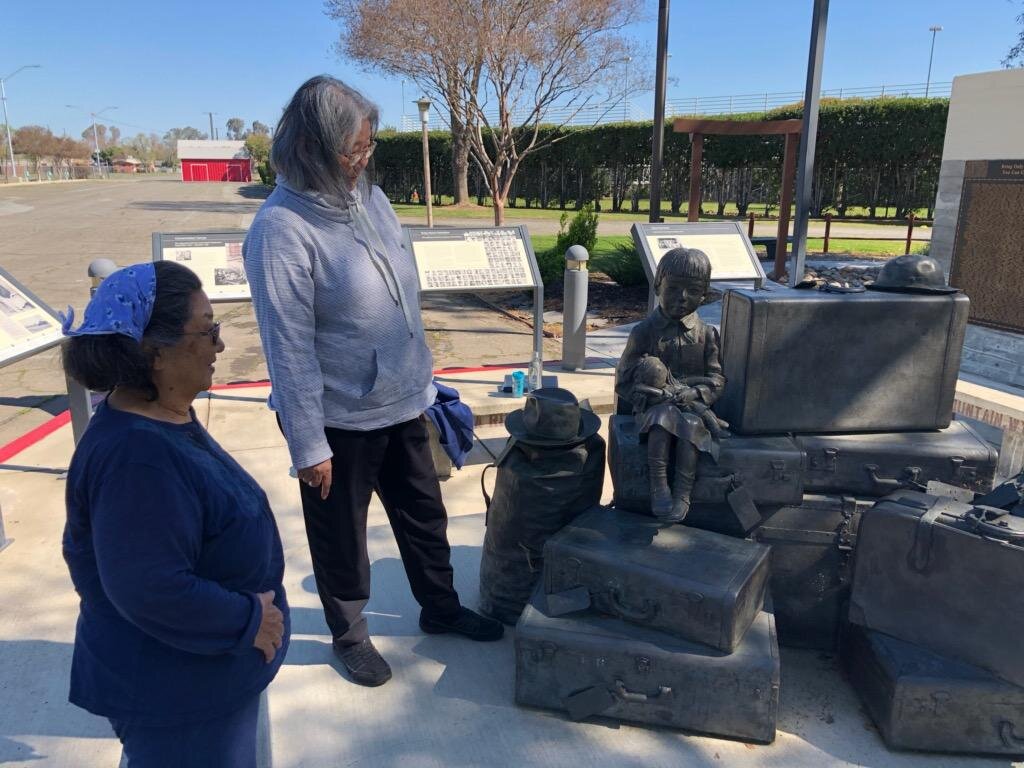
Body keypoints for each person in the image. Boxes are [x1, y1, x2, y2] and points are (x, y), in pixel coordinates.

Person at [243, 75, 502, 689]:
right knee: (341, 537)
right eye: (352, 151)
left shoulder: (370, 199)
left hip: (404, 401)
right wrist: (308, 445)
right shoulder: (281, 229)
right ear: (312, 147)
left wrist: (423, 381)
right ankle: (350, 635)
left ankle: (440, 609)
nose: (364, 160)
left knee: (424, 515)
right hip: (337, 419)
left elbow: (398, 294)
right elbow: (289, 349)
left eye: (369, 147)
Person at [61, 261, 289, 768]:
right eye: (207, 330)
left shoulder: (159, 419)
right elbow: (150, 586)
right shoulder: (135, 459)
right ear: (155, 352)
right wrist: (249, 620)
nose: (220, 346)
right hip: (179, 698)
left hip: (203, 683)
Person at [614, 247, 727, 523]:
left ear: (705, 293)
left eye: (693, 291)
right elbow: (624, 378)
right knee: (662, 420)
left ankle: (683, 492)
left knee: (689, 426)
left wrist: (695, 393)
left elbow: (716, 378)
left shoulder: (706, 334)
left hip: (692, 408)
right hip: (653, 408)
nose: (682, 297)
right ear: (658, 285)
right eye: (674, 288)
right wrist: (647, 394)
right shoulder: (644, 332)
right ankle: (659, 485)